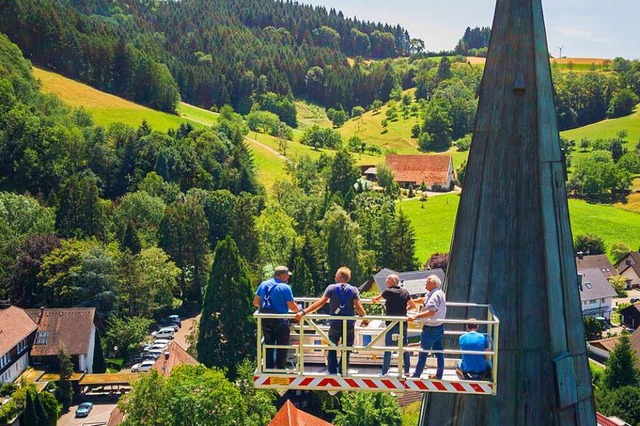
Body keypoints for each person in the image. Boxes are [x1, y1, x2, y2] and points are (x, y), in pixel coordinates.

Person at [295, 266, 368, 375]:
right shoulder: (353, 290)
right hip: (349, 324)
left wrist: (304, 312)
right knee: (347, 348)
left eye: (336, 275)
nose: (335, 277)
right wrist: (365, 318)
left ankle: (332, 370)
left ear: (339, 276)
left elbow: (320, 303)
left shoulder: (331, 288)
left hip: (335, 323)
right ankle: (343, 369)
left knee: (332, 346)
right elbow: (358, 307)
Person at [253, 266, 302, 370]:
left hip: (265, 318)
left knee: (268, 343)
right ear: (281, 275)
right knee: (282, 344)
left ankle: (268, 367)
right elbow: (292, 306)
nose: (288, 278)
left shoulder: (263, 284)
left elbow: (256, 302)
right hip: (279, 318)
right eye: (287, 275)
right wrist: (300, 311)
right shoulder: (285, 287)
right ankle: (280, 367)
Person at [372, 274, 417, 376]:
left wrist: (374, 299)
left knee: (388, 348)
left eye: (387, 281)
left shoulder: (388, 292)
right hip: (403, 323)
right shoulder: (405, 291)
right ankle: (406, 371)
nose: (385, 283)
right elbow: (413, 305)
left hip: (391, 323)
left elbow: (376, 299)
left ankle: (384, 372)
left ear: (393, 281)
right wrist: (404, 310)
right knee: (404, 347)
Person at [408, 274, 446, 379]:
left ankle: (417, 374)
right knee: (439, 351)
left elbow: (432, 311)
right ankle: (439, 374)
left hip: (430, 328)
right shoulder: (438, 293)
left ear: (433, 283)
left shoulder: (434, 295)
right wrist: (413, 301)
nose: (425, 283)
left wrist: (416, 316)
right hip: (439, 326)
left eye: (427, 282)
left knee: (423, 351)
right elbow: (425, 300)